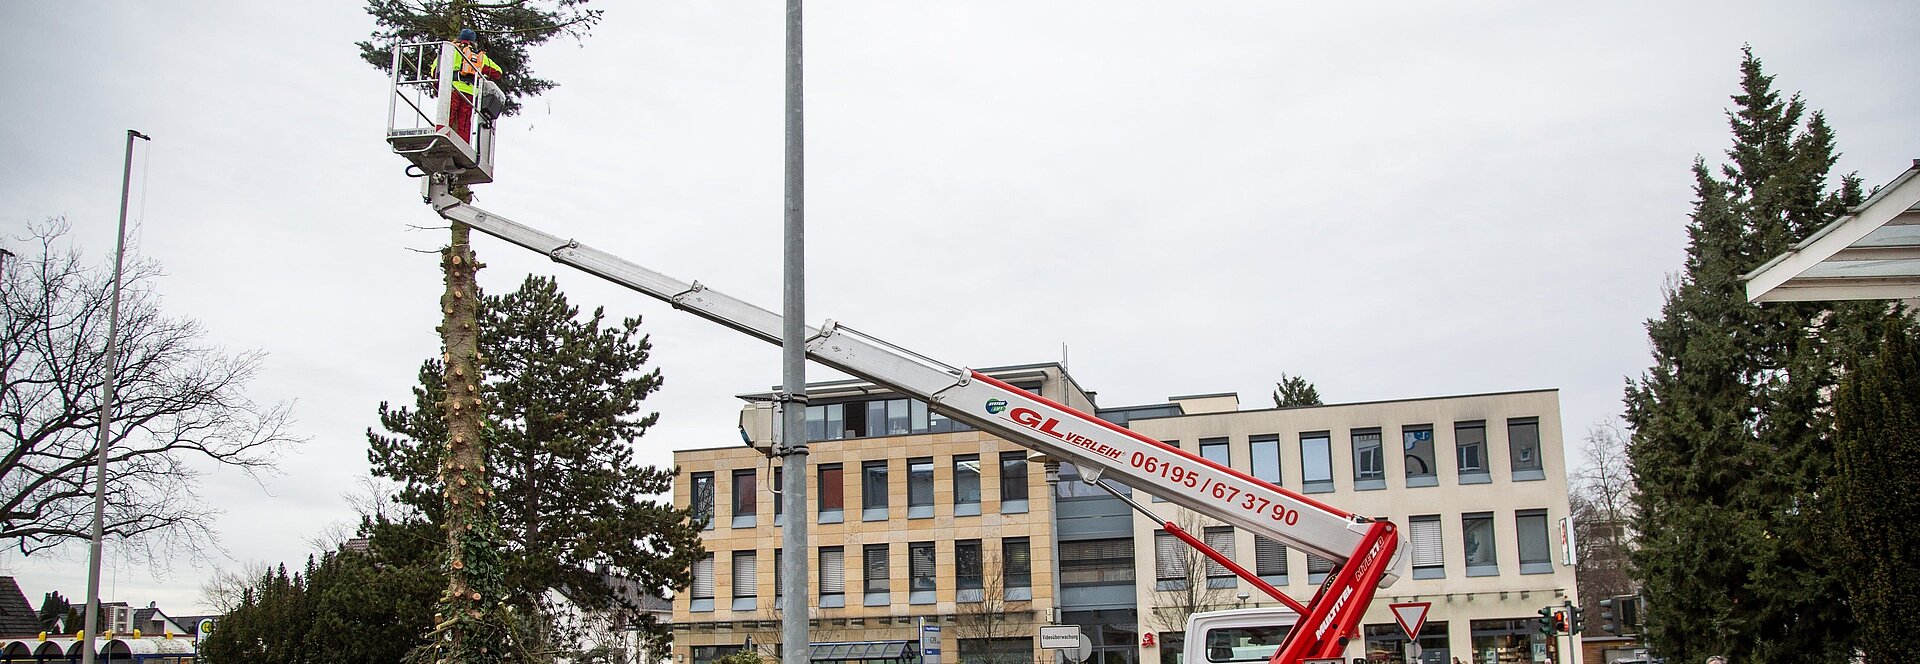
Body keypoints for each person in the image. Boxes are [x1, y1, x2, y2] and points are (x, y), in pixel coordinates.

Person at [445, 28, 502, 143]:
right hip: (470, 93)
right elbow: (498, 72)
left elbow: (436, 68)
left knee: (448, 116)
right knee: (465, 122)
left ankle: (444, 136)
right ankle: (462, 143)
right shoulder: (480, 56)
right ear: (473, 42)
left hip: (453, 88)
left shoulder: (451, 49)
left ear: (459, 39)